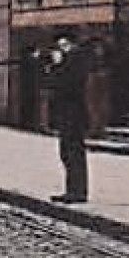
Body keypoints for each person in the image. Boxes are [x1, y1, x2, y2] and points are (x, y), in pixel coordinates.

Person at [45, 33, 92, 205]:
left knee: (73, 153)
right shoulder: (70, 61)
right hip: (67, 114)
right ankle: (72, 190)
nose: (61, 49)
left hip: (74, 114)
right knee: (67, 153)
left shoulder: (75, 61)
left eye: (64, 45)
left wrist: (57, 66)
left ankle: (77, 192)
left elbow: (66, 85)